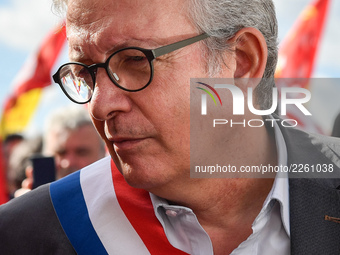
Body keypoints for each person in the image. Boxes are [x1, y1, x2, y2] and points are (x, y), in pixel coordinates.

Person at [0, 0, 340, 254]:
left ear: (241, 63)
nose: (100, 105)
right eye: (84, 72)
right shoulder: (24, 234)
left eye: (135, 60)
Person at [17, 105, 107, 194]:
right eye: (61, 153)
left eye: (81, 152)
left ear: (103, 155)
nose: (68, 163)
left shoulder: (117, 203)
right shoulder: (33, 204)